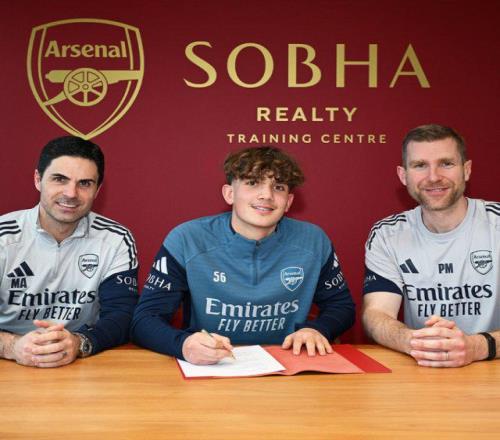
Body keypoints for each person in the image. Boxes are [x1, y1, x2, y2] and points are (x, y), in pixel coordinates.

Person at [132, 146, 355, 364]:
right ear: (229, 194)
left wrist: (318, 329)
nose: (267, 195)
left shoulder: (313, 240)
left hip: (289, 364)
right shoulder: (187, 239)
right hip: (211, 365)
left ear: (288, 202)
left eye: (278, 187)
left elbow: (341, 306)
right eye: (253, 183)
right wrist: (183, 344)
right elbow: (144, 320)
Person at [363, 124, 499, 367]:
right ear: (403, 175)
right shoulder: (387, 234)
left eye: (446, 163)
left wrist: (476, 346)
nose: (434, 177)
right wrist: (413, 341)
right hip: (424, 367)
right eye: (420, 165)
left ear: (466, 170)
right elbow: (376, 314)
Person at [0, 136, 138, 368]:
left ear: (97, 190)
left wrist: (80, 342)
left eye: (84, 183)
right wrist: (12, 347)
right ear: (38, 179)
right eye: (60, 179)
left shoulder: (116, 239)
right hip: (8, 362)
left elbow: (122, 315)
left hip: (82, 363)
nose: (71, 193)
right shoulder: (4, 237)